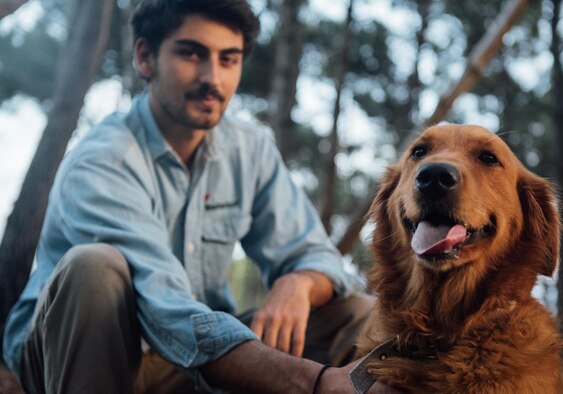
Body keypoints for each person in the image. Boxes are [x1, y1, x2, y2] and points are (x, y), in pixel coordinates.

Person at [2, 0, 398, 393]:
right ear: (145, 57)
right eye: (192, 54)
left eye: (229, 59)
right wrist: (312, 382)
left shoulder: (248, 149)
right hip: (78, 353)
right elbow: (162, 303)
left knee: (355, 316)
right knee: (94, 266)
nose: (213, 77)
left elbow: (317, 257)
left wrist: (300, 281)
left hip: (187, 360)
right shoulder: (101, 161)